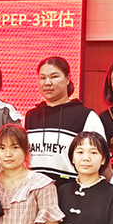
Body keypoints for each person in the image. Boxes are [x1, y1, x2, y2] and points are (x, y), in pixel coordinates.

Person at [24, 56, 106, 186]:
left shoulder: (85, 116)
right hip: (33, 191)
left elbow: (100, 158)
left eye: (54, 77)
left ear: (67, 79)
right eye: (42, 78)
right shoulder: (30, 116)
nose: (47, 83)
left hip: (71, 191)